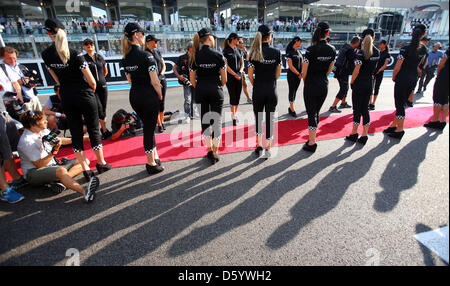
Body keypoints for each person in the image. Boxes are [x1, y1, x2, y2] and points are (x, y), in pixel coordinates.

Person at [41, 18, 111, 181]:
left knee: (76, 131)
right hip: (84, 94)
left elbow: (56, 79)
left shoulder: (46, 54)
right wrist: (88, 90)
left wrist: (66, 87)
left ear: (48, 34)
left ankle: (85, 168)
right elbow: (92, 81)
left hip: (66, 94)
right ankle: (101, 162)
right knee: (94, 129)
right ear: (63, 32)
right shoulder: (75, 53)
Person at [17, 111, 99, 202]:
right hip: (33, 173)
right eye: (43, 120)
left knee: (84, 161)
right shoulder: (27, 141)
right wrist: (55, 150)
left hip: (52, 165)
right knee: (61, 170)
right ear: (33, 124)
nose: (46, 121)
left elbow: (61, 140)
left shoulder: (41, 130)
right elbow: (40, 165)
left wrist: (86, 138)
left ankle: (62, 182)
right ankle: (85, 192)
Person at [120, 22, 164, 174]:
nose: (144, 37)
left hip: (135, 96)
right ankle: (151, 163)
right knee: (149, 130)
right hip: (148, 96)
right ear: (136, 35)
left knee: (148, 128)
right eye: (142, 34)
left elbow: (130, 80)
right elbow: (155, 81)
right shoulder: (147, 55)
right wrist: (159, 94)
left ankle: (155, 156)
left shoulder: (125, 58)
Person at [189, 27, 227, 164]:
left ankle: (209, 150)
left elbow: (192, 80)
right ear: (210, 38)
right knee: (216, 123)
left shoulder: (194, 56)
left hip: (201, 90)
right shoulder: (219, 55)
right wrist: (216, 86)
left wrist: (201, 86)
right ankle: (215, 152)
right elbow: (224, 79)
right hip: (216, 90)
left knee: (205, 123)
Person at [384, 24, 428, 140]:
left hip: (402, 78)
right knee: (402, 103)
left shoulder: (405, 48)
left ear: (412, 33)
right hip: (413, 78)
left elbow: (398, 66)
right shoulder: (424, 49)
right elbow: (420, 64)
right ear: (423, 34)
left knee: (399, 105)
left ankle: (400, 129)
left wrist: (394, 77)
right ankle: (394, 125)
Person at [247, 25, 282, 158]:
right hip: (271, 89)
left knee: (259, 119)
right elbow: (278, 74)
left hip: (258, 90)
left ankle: (259, 146)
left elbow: (250, 75)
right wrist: (270, 81)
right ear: (269, 36)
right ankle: (268, 147)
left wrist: (256, 84)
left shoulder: (254, 52)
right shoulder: (276, 52)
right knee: (270, 119)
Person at [301, 22, 336, 152]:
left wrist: (307, 82)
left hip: (311, 84)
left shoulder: (310, 50)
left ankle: (312, 142)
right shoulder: (332, 49)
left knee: (311, 113)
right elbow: (329, 71)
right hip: (323, 84)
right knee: (316, 112)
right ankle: (312, 138)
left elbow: (304, 72)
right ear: (327, 33)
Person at [346, 28, 380, 145]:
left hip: (359, 83)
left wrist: (352, 81)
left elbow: (357, 69)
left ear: (362, 38)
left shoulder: (360, 52)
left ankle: (354, 133)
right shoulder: (377, 52)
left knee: (356, 109)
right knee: (365, 109)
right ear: (373, 38)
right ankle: (364, 135)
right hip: (369, 82)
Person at [0, 72, 27, 203]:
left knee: (6, 148)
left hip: (3, 110)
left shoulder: (2, 68)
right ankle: (4, 189)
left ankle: (17, 178)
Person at [82, 38, 112, 139]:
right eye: (86, 44)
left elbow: (105, 71)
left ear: (94, 46)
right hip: (91, 87)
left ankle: (104, 129)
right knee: (98, 108)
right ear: (84, 47)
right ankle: (103, 130)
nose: (89, 46)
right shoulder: (83, 58)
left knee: (103, 108)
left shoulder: (99, 57)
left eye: (91, 44)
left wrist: (101, 80)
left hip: (102, 86)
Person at [1, 46, 42, 113]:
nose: (12, 60)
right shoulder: (2, 69)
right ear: (3, 57)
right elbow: (4, 87)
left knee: (40, 121)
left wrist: (32, 83)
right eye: (9, 58)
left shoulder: (21, 67)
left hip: (33, 98)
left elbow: (30, 79)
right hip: (19, 102)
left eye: (14, 58)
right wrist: (19, 82)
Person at [329, 36, 360, 113]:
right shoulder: (350, 50)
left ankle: (343, 103)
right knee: (343, 89)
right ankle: (333, 106)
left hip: (340, 71)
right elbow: (356, 58)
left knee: (345, 87)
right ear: (356, 43)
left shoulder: (345, 46)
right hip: (342, 72)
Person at [145, 34, 167, 133]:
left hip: (161, 79)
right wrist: (155, 79)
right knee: (155, 104)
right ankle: (158, 124)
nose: (156, 43)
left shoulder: (157, 51)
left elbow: (163, 65)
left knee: (162, 103)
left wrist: (161, 75)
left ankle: (162, 122)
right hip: (152, 83)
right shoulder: (144, 54)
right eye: (155, 41)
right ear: (149, 42)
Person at [423, 47, 449, 130]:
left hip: (444, 75)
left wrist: (438, 73)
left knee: (437, 98)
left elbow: (442, 63)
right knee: (446, 99)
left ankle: (435, 120)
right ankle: (443, 121)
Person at [173, 41, 198, 119]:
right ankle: (187, 115)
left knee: (195, 98)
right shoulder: (181, 57)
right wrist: (179, 76)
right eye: (194, 47)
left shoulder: (197, 57)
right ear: (190, 48)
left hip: (195, 80)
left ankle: (193, 113)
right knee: (187, 99)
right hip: (185, 81)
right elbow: (174, 68)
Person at [223, 33, 244, 126]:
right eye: (237, 39)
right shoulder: (225, 51)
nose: (239, 41)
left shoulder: (239, 50)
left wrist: (240, 71)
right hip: (231, 77)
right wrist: (235, 74)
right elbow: (226, 66)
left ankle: (235, 113)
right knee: (233, 96)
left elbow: (242, 62)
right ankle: (234, 115)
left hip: (239, 76)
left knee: (238, 97)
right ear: (233, 39)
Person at [407, 37, 430, 107]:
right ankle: (409, 99)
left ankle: (410, 100)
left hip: (418, 69)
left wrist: (422, 68)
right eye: (426, 41)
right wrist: (418, 68)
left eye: (427, 41)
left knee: (412, 85)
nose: (427, 42)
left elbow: (425, 59)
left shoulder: (425, 49)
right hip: (415, 69)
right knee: (411, 84)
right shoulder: (418, 49)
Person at [369, 39, 390, 110]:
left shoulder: (387, 54)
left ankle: (373, 103)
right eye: (379, 44)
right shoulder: (377, 52)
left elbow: (385, 65)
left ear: (384, 44)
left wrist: (378, 71)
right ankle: (370, 102)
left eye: (380, 44)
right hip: (373, 72)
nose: (379, 45)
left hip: (380, 73)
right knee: (370, 87)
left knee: (377, 87)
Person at [285, 36, 303, 117]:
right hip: (292, 75)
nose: (301, 43)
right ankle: (292, 109)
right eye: (300, 41)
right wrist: (298, 74)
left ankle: (290, 107)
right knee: (292, 91)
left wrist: (302, 73)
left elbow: (302, 63)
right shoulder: (289, 52)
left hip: (299, 75)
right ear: (297, 42)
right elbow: (290, 66)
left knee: (295, 91)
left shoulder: (299, 52)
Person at [237, 37, 252, 104]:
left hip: (241, 71)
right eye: (242, 43)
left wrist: (245, 51)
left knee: (245, 85)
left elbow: (248, 58)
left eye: (243, 43)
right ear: (238, 43)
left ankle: (248, 98)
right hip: (234, 71)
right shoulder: (234, 50)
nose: (243, 44)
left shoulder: (242, 50)